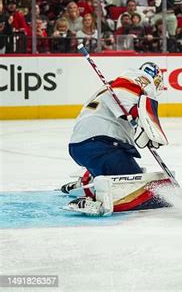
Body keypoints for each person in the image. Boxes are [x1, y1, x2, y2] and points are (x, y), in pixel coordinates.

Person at [65, 63, 169, 216]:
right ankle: (93, 196)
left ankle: (89, 179)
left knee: (135, 174)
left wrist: (142, 124)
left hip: (81, 145)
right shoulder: (140, 78)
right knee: (139, 192)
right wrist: (141, 119)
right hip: (102, 145)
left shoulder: (110, 86)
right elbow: (125, 97)